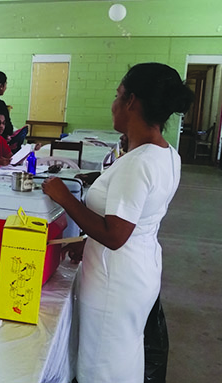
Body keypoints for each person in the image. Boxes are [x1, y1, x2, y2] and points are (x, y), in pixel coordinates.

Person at [41, 63, 193, 383]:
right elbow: (137, 220)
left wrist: (63, 197)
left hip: (116, 282)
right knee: (124, 352)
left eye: (117, 95)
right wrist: (87, 241)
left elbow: (115, 234)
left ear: (131, 102)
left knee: (102, 365)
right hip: (140, 270)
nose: (113, 103)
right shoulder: (167, 156)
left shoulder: (136, 165)